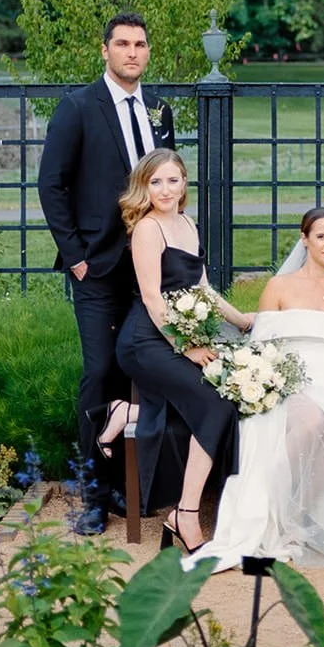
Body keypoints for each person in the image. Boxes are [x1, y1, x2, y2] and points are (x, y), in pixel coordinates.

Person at [186, 208, 324, 572]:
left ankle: (298, 518)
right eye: (321, 237)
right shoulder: (279, 287)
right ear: (305, 239)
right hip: (289, 379)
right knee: (312, 421)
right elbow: (261, 349)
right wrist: (267, 383)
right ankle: (272, 508)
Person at [37, 13, 175, 532]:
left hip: (151, 269)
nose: (132, 52)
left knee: (136, 373)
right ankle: (93, 496)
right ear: (105, 51)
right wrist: (76, 257)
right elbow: (51, 185)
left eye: (140, 44)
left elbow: (167, 182)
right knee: (99, 375)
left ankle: (127, 487)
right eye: (122, 44)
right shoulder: (77, 107)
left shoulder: (159, 110)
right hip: (96, 267)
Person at [115, 149, 251, 553]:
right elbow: (153, 298)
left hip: (177, 336)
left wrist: (243, 321)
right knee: (216, 403)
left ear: (184, 184)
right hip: (145, 341)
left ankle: (126, 413)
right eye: (155, 182)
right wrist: (186, 345)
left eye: (172, 180)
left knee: (223, 398)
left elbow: (203, 289)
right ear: (144, 187)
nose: (164, 190)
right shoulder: (147, 229)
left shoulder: (189, 224)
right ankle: (185, 514)